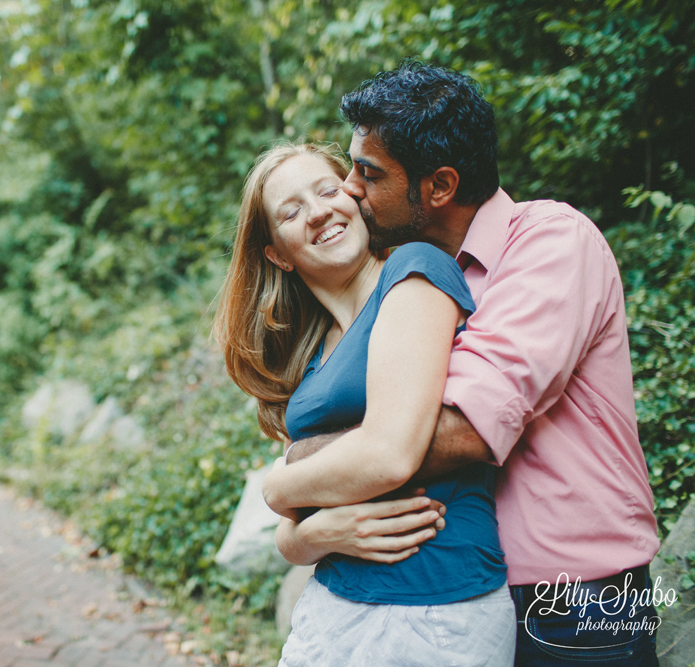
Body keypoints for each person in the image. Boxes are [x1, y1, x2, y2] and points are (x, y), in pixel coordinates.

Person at [266, 61, 661, 666]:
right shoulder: (406, 282)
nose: (349, 187)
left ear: (440, 187)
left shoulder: (551, 243)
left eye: (368, 173)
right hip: (476, 590)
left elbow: (465, 429)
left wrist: (298, 463)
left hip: (577, 594)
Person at [214, 141, 516, 665]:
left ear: (355, 198)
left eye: (329, 190)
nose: (319, 212)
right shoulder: (312, 357)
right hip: (331, 605)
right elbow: (290, 539)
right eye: (291, 211)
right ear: (277, 253)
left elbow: (390, 455)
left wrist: (277, 484)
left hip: (433, 604)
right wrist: (324, 531)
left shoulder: (414, 270)